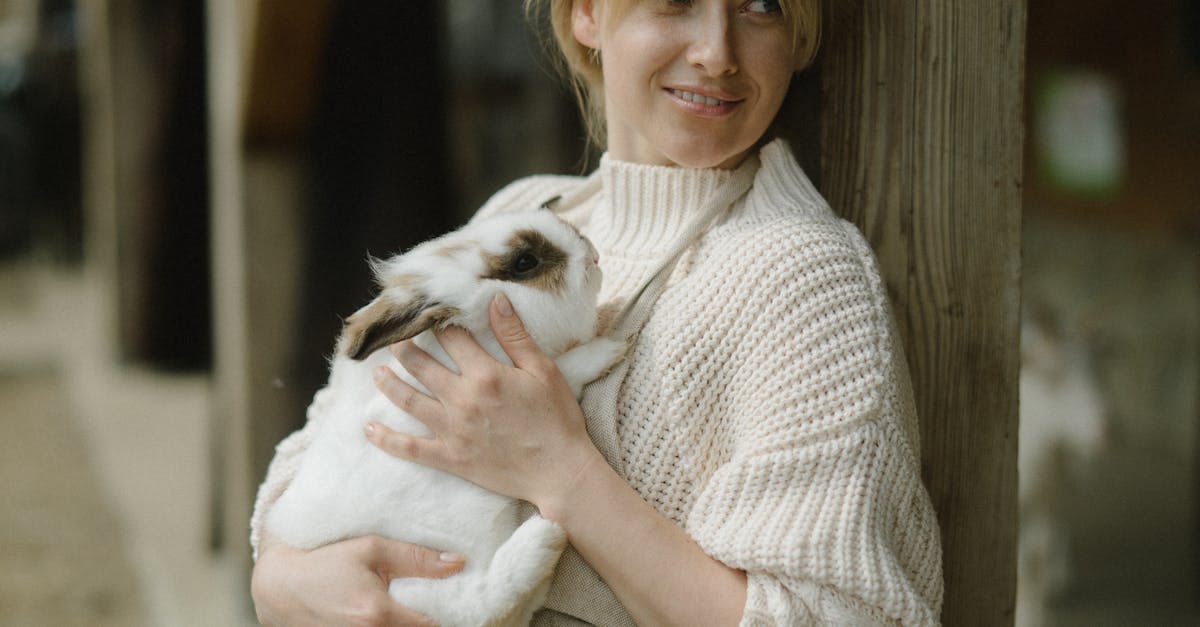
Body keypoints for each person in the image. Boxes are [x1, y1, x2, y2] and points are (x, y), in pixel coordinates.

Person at [249, 0, 944, 625]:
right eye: (676, 2)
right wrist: (278, 576)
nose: (717, 52)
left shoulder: (801, 278)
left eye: (762, 6)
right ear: (586, 13)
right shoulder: (525, 214)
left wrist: (563, 471)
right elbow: (336, 427)